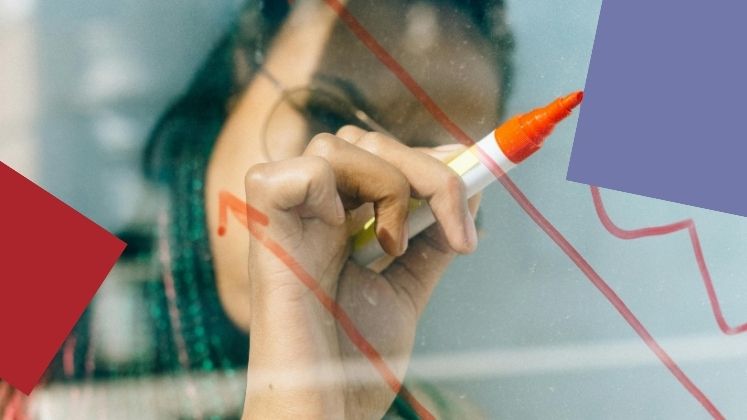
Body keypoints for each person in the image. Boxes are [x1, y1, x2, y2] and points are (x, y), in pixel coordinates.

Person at [2, 0, 513, 418]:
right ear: (238, 80)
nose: (366, 191)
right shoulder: (25, 273)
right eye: (327, 116)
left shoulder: (431, 411)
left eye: (422, 191)